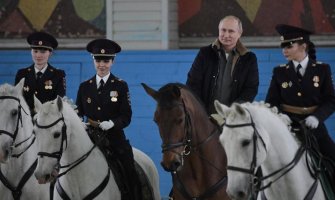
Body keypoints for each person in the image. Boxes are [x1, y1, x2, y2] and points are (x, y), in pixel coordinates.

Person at [75, 39, 141, 200]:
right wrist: (80, 123)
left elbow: (126, 116)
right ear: (93, 61)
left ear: (112, 62)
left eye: (106, 61)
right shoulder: (85, 86)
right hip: (89, 137)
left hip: (114, 138)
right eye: (98, 60)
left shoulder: (120, 86)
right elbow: (78, 112)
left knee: (129, 169)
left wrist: (112, 123)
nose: (101, 65)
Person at [265, 24, 335, 164]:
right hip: (287, 128)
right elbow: (271, 102)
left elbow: (331, 100)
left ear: (303, 46)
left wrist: (317, 117)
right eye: (283, 47)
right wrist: (281, 117)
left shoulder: (322, 70)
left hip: (314, 128)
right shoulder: (279, 72)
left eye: (289, 46)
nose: (284, 50)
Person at [186, 15, 259, 114]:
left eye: (231, 31)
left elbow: (251, 88)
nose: (226, 35)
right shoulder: (204, 53)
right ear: (218, 31)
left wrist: (234, 110)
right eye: (223, 30)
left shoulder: (249, 58)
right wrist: (200, 109)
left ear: (239, 34)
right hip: (205, 117)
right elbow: (192, 83)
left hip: (234, 118)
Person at [15, 31, 66, 114]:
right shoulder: (21, 74)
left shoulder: (58, 75)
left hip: (47, 121)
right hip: (25, 120)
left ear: (50, 53)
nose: (38, 55)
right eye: (35, 51)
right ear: (31, 52)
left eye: (43, 52)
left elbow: (58, 101)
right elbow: (17, 99)